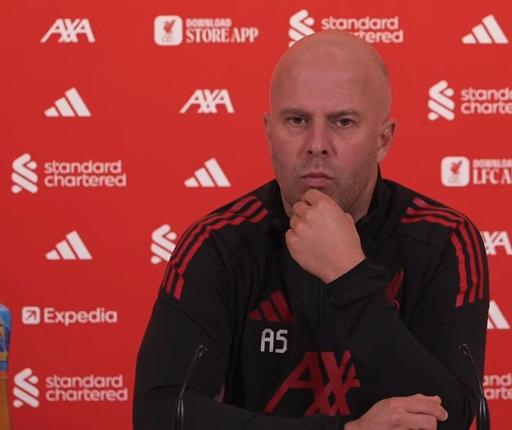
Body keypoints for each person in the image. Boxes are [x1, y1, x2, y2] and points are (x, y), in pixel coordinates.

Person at [133, 30, 489, 430]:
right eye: (297, 120)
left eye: (343, 122)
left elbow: (451, 417)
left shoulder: (443, 239)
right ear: (270, 133)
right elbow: (162, 414)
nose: (317, 144)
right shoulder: (217, 243)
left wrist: (349, 275)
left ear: (383, 140)